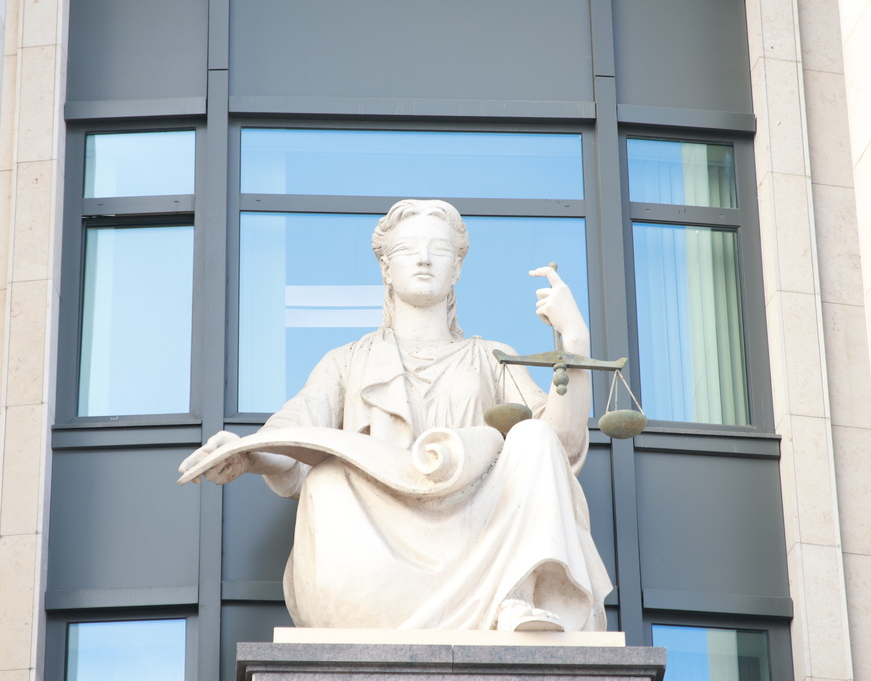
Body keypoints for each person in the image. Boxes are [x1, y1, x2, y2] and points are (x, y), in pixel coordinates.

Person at [178, 199, 612, 632]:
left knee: (533, 437)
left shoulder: (492, 358)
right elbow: (297, 426)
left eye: (439, 249)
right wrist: (248, 451)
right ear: (386, 269)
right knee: (327, 480)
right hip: (381, 535)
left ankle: (511, 597)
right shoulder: (348, 361)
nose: (424, 259)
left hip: (481, 526)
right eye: (407, 249)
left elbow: (558, 446)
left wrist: (575, 339)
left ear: (457, 269)